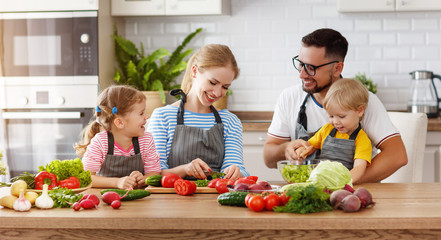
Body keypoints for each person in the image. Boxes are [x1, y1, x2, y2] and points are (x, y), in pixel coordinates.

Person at [263, 28, 408, 184]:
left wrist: (339, 183)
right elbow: (268, 158)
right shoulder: (289, 97)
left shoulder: (364, 100)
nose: (302, 74)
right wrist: (285, 149)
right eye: (300, 64)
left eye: (311, 68)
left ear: (337, 68)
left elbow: (397, 156)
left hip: (352, 195)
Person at [147, 44, 249, 181]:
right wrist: (185, 169)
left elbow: (238, 168)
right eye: (213, 83)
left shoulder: (230, 121)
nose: (218, 93)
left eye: (225, 87)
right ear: (194, 72)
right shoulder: (163, 117)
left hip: (216, 199)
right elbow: (154, 175)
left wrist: (236, 172)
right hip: (170, 199)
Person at [75, 85, 161, 189]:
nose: (147, 116)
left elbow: (155, 173)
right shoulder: (100, 142)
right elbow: (86, 177)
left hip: (137, 199)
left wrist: (144, 179)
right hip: (103, 198)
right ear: (120, 122)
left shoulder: (146, 140)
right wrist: (117, 182)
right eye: (141, 113)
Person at [293, 78, 372, 183]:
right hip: (320, 181)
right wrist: (300, 152)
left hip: (342, 185)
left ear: (360, 111)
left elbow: (359, 168)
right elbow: (309, 146)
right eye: (331, 116)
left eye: (341, 116)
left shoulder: (362, 140)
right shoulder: (327, 130)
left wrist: (341, 182)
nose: (335, 122)